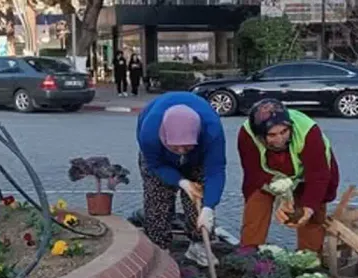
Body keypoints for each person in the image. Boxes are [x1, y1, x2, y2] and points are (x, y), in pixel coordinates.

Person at [136, 92, 227, 266]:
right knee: (157, 198)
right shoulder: (149, 133)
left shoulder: (212, 130)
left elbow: (215, 171)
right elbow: (155, 165)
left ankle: (198, 245)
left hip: (198, 157)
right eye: (175, 147)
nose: (181, 151)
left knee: (199, 196)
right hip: (161, 160)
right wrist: (181, 181)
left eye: (186, 146)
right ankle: (159, 247)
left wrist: (208, 207)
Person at [237, 99, 339, 253]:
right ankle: (248, 255)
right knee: (255, 206)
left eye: (284, 131)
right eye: (272, 135)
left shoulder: (309, 132)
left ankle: (308, 259)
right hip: (267, 173)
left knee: (311, 216)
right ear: (260, 136)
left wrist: (309, 208)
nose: (279, 139)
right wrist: (282, 197)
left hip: (310, 173)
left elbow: (318, 175)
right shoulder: (247, 135)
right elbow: (254, 173)